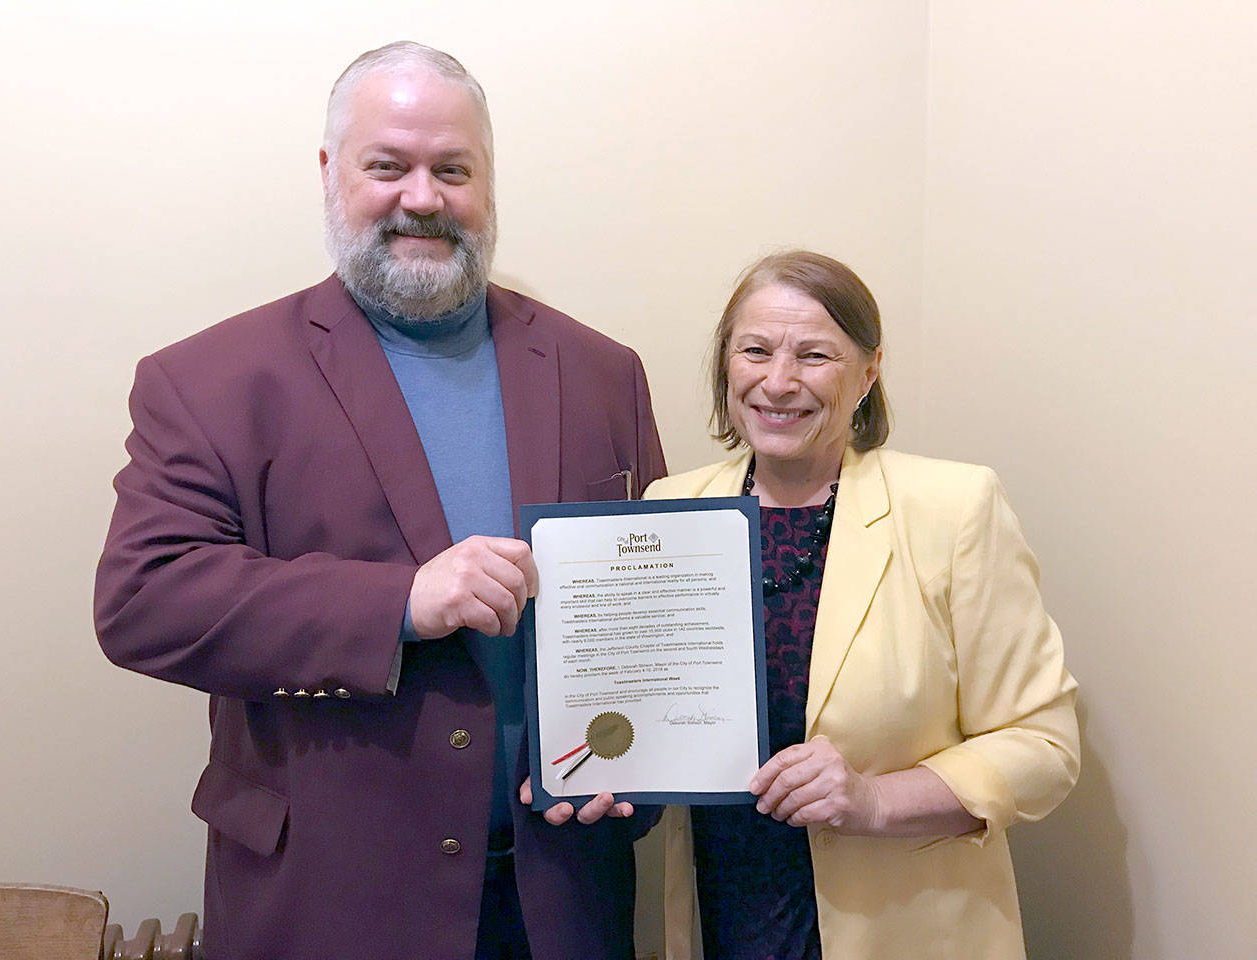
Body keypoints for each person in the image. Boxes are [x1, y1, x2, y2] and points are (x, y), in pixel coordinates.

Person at [93, 41, 665, 960]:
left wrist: (648, 765)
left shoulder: (603, 372)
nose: (423, 198)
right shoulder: (207, 380)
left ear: (488, 180)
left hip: (561, 899)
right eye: (388, 166)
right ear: (330, 174)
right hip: (329, 901)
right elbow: (144, 600)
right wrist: (395, 602)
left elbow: (646, 615)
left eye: (452, 169)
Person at [644, 251, 1079, 960]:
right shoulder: (669, 510)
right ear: (727, 363)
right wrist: (592, 763)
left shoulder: (953, 510)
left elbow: (1045, 747)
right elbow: (652, 711)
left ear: (868, 373)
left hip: (902, 930)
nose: (777, 382)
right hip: (730, 914)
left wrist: (873, 802)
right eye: (755, 350)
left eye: (814, 355)